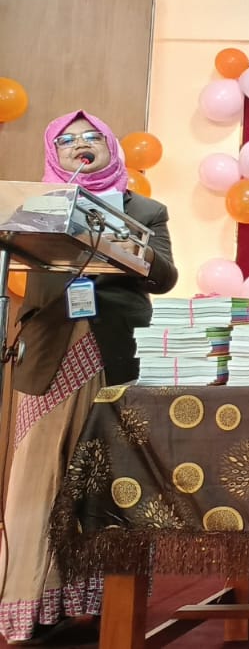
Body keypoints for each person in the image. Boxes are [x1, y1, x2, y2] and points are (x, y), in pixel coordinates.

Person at [0, 111, 178, 643]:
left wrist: (117, 238)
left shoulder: (143, 210)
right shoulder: (36, 205)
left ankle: (100, 599)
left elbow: (164, 276)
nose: (82, 144)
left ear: (110, 146)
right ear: (54, 153)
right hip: (49, 352)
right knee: (38, 476)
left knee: (105, 475)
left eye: (92, 137)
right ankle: (30, 602)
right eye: (68, 140)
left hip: (111, 351)